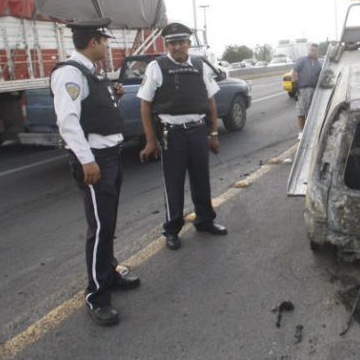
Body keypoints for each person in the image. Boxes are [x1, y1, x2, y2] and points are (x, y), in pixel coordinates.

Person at [51, 17, 140, 327]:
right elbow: (68, 121)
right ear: (93, 42)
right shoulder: (70, 74)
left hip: (110, 157)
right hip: (96, 160)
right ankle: (97, 296)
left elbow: (91, 110)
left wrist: (112, 94)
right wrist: (87, 161)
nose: (106, 45)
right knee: (100, 227)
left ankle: (109, 273)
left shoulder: (91, 74)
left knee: (109, 222)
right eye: (104, 40)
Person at [138, 22, 228, 251]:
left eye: (181, 43)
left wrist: (214, 133)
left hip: (198, 131)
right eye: (172, 43)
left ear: (189, 44)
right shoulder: (156, 67)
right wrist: (150, 140)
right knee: (174, 184)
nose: (177, 47)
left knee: (201, 179)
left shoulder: (199, 65)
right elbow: (145, 105)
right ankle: (172, 229)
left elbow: (210, 100)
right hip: (172, 135)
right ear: (166, 45)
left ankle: (205, 220)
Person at [292, 43, 323, 139]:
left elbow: (320, 76)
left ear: (317, 52)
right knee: (301, 112)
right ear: (308, 50)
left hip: (314, 90)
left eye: (315, 50)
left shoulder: (319, 63)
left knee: (311, 112)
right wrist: (295, 86)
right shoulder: (302, 60)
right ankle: (301, 132)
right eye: (311, 50)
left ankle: (310, 131)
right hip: (302, 89)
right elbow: (294, 71)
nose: (312, 51)